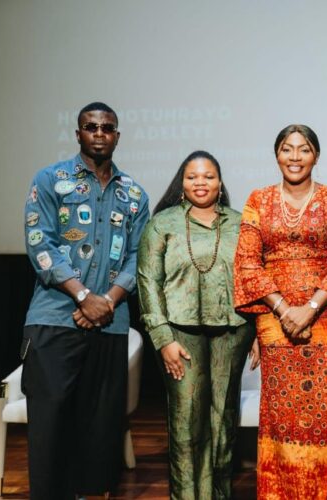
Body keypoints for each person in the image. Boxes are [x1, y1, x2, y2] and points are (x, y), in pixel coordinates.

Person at [20, 101, 149, 499]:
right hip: (54, 319)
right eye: (90, 127)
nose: (98, 133)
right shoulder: (49, 180)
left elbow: (137, 255)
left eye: (106, 127)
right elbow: (41, 243)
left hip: (109, 323)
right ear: (78, 134)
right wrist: (81, 296)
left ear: (117, 136)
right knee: (51, 424)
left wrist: (105, 302)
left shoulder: (133, 194)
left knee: (98, 428)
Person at [233, 124, 327, 499]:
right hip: (276, 325)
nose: (295, 157)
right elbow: (246, 263)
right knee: (284, 420)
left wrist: (308, 308)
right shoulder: (257, 201)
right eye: (287, 149)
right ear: (276, 155)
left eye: (303, 149)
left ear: (316, 156)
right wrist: (282, 308)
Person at [136, 150, 255, 499]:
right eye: (192, 177)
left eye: (208, 176)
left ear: (220, 183)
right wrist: (162, 339)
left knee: (222, 423)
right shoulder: (162, 224)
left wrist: (259, 330)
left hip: (233, 331)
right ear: (182, 183)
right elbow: (147, 283)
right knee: (188, 424)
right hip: (179, 335)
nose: (200, 183)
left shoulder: (240, 223)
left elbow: (253, 279)